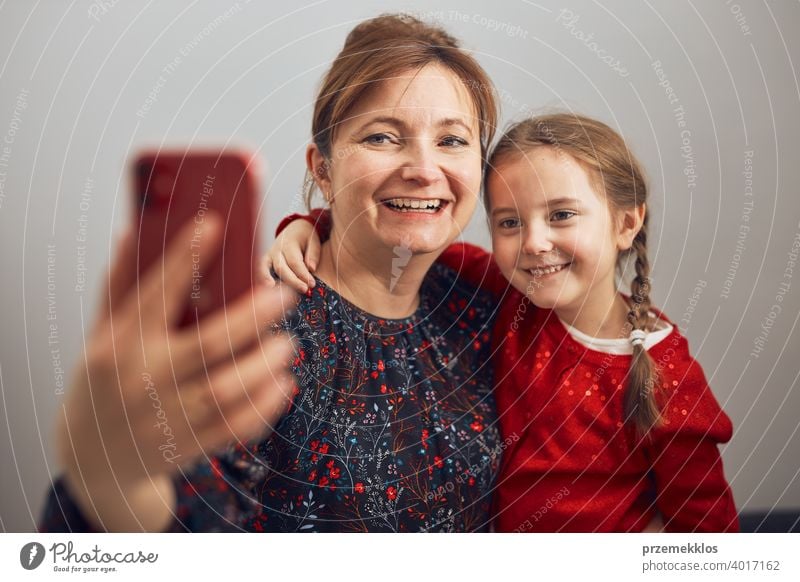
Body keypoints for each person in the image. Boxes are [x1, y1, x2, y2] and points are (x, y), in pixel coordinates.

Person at [40, 13, 503, 532]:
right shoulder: (263, 331)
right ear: (322, 170)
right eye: (382, 137)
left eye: (453, 141)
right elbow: (192, 515)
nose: (424, 168)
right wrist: (112, 479)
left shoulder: (479, 309)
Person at [269, 113, 739, 532]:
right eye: (509, 223)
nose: (534, 242)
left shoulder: (667, 377)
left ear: (625, 224)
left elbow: (710, 534)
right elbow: (407, 233)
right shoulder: (505, 295)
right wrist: (307, 225)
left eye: (561, 215)